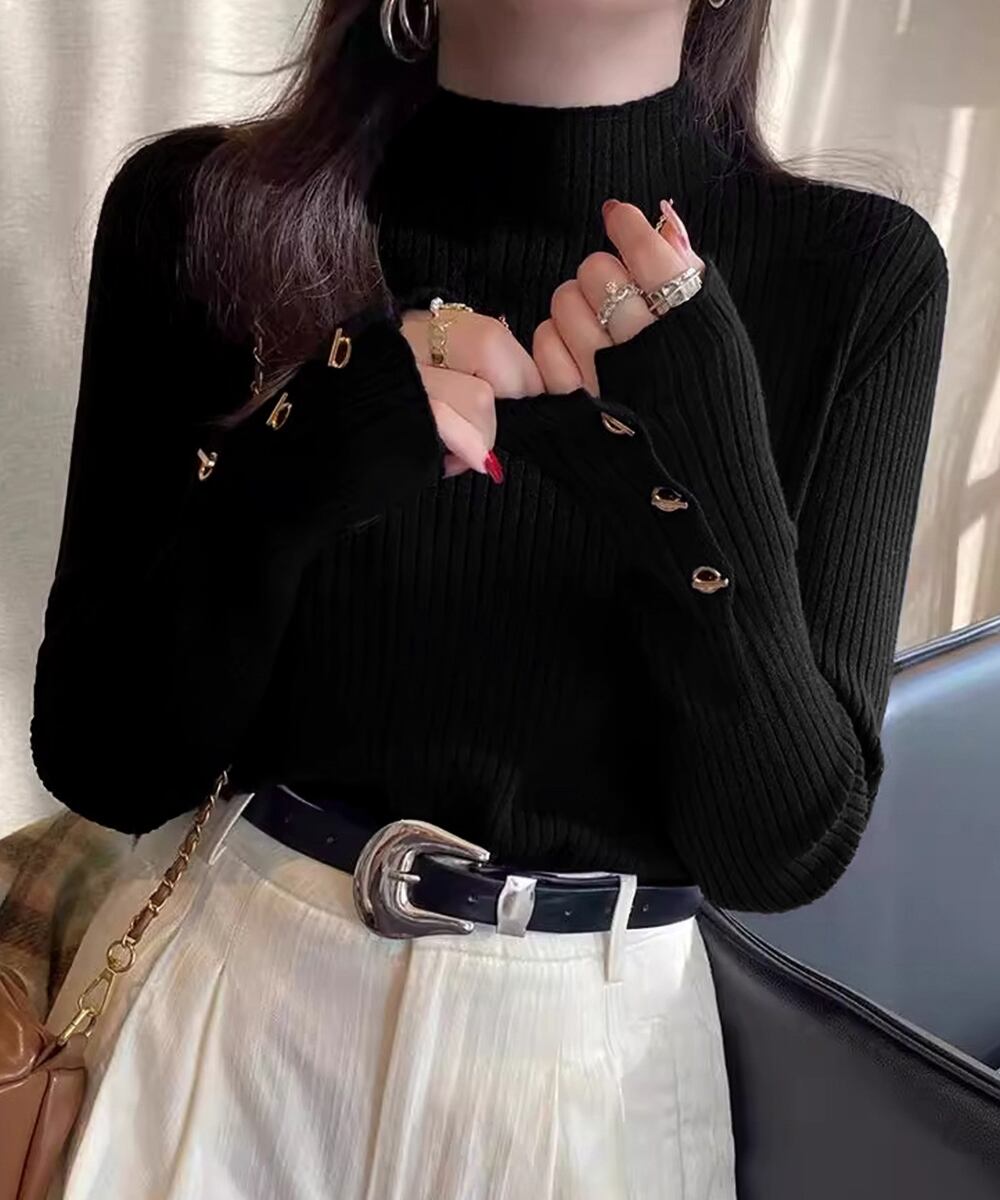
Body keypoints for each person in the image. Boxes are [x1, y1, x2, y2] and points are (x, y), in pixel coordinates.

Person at [31, 0, 948, 1196]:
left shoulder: (857, 274)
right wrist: (296, 466)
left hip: (592, 1092)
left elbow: (779, 852)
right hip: (222, 1034)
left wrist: (703, 486)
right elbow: (106, 759)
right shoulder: (203, 211)